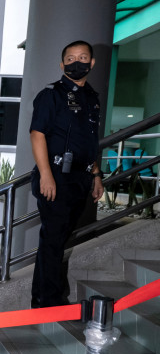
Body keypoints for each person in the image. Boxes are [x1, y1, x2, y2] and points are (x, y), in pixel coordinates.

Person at [30, 40, 104, 308]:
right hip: (56, 177)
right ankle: (50, 302)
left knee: (56, 240)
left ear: (92, 63)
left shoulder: (93, 99)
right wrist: (46, 175)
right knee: (53, 241)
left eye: (83, 57)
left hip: (80, 179)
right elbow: (37, 134)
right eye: (71, 58)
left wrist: (96, 175)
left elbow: (90, 141)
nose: (77, 62)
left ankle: (40, 299)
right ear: (62, 65)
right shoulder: (51, 95)